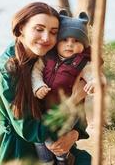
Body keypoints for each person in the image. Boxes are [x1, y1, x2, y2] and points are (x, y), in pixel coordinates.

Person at [0, 2, 91, 165]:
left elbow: (79, 109)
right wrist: (72, 101)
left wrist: (74, 134)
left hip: (56, 140)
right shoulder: (7, 72)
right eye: (39, 29)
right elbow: (30, 130)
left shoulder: (53, 58)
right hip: (17, 148)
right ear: (21, 29)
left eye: (53, 32)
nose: (46, 38)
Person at [31, 10, 98, 165]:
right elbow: (36, 72)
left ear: (83, 45)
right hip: (46, 108)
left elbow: (94, 74)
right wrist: (38, 86)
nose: (70, 44)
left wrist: (94, 83)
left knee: (59, 139)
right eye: (65, 40)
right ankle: (47, 161)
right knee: (42, 139)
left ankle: (63, 159)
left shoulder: (83, 63)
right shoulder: (48, 57)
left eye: (76, 41)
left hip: (70, 112)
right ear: (57, 42)